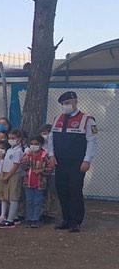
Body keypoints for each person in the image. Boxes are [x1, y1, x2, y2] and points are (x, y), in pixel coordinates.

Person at [51, 90, 98, 233]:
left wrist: (87, 160)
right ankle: (65, 219)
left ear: (75, 102)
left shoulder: (88, 120)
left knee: (74, 190)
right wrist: (51, 155)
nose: (65, 106)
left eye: (67, 103)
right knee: (62, 190)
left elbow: (93, 141)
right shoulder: (57, 118)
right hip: (59, 162)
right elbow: (50, 139)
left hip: (77, 163)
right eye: (63, 104)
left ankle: (75, 221)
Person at [20, 135, 56, 228]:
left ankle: (35, 219)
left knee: (37, 201)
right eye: (31, 144)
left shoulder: (45, 156)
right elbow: (23, 165)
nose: (33, 146)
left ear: (41, 144)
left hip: (40, 182)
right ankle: (29, 218)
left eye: (36, 144)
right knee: (29, 200)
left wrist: (41, 170)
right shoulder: (28, 155)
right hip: (28, 181)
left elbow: (50, 168)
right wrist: (27, 164)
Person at [0, 129, 24, 228]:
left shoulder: (19, 151)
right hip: (6, 174)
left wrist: (7, 176)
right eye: (10, 138)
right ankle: (14, 217)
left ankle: (10, 220)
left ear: (19, 139)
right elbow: (5, 163)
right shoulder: (9, 150)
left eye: (14, 138)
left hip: (14, 175)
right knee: (8, 197)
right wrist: (3, 175)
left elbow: (15, 166)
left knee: (13, 198)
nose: (11, 140)